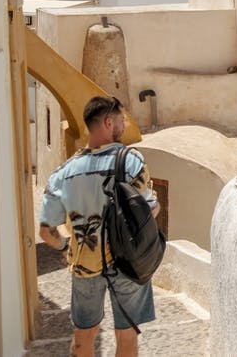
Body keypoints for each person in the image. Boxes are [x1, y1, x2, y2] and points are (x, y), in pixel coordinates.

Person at [39, 95, 159, 357]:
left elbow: (46, 232)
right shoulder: (131, 161)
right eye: (121, 120)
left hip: (84, 265)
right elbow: (149, 211)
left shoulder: (62, 173)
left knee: (84, 336)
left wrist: (66, 245)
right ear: (107, 122)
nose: (124, 125)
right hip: (127, 262)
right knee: (126, 336)